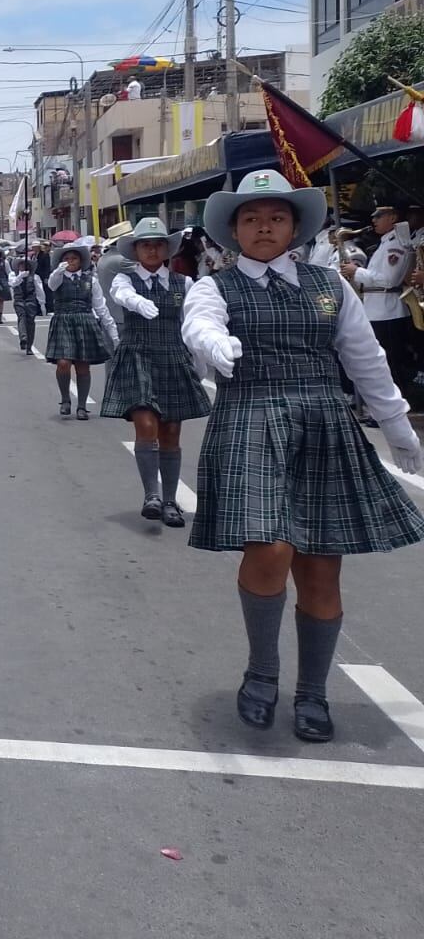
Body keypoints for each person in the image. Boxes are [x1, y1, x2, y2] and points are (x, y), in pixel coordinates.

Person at [181, 170, 424, 743]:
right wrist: (213, 343)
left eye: (276, 217)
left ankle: (312, 691)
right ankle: (262, 673)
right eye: (251, 218)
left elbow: (365, 358)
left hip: (323, 425)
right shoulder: (213, 287)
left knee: (320, 562)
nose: (264, 226)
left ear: (293, 226)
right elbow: (198, 325)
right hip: (250, 420)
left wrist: (396, 426)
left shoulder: (329, 285)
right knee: (269, 549)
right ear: (233, 231)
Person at [101, 217, 211, 527]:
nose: (151, 249)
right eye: (145, 244)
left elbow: (192, 326)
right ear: (135, 250)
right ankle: (152, 494)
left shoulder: (184, 283)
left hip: (173, 357)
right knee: (146, 423)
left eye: (157, 244)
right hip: (138, 356)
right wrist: (137, 302)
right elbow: (120, 296)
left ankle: (171, 500)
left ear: (167, 249)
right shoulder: (125, 280)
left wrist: (199, 363)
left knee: (171, 432)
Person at [344, 204, 416, 405]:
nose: (373, 220)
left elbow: (389, 280)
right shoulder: (384, 243)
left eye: (379, 216)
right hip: (376, 309)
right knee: (380, 363)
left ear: (392, 217)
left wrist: (356, 272)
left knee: (391, 364)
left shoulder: (397, 245)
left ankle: (398, 405)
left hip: (388, 310)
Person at [45, 239, 118, 420]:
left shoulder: (90, 280)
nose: (71, 261)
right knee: (63, 363)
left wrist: (113, 333)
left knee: (83, 367)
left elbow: (101, 307)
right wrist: (59, 270)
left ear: (80, 261)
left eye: (74, 258)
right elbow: (52, 286)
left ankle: (82, 406)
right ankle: (65, 399)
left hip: (85, 321)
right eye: (67, 258)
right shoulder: (58, 276)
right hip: (63, 321)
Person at [9, 256, 46, 354]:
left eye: (25, 265)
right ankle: (23, 338)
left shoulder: (35, 276)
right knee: (22, 317)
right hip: (19, 299)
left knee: (30, 322)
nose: (23, 266)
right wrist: (20, 276)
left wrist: (42, 304)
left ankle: (29, 346)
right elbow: (13, 284)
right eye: (21, 265)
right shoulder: (13, 275)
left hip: (31, 300)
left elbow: (39, 290)